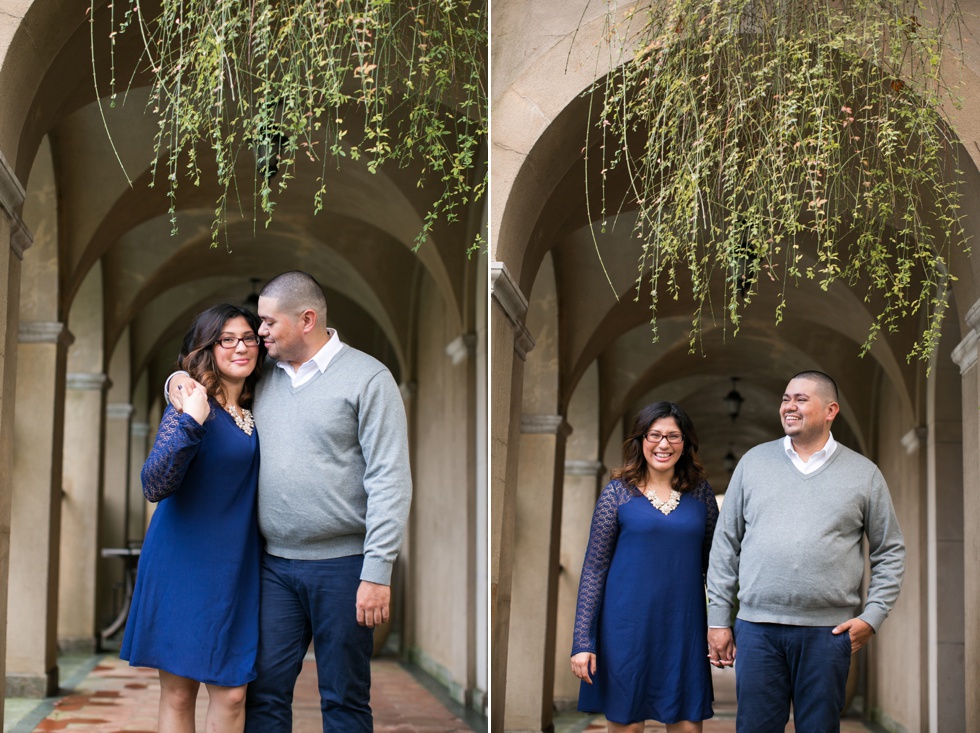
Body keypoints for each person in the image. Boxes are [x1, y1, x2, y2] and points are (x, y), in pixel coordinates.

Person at [168, 271, 412, 733]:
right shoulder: (262, 379)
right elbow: (207, 374)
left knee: (344, 699)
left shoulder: (368, 379)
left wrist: (377, 570)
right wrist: (176, 380)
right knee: (263, 695)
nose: (258, 334)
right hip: (273, 567)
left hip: (344, 566)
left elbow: (390, 478)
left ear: (306, 319)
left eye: (266, 323)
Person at [706, 370, 906, 733]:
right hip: (757, 628)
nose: (789, 406)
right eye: (785, 399)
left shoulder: (864, 474)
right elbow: (725, 544)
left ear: (831, 410)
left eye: (801, 399)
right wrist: (719, 619)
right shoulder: (753, 463)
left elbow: (889, 550)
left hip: (828, 634)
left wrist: (872, 616)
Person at [121, 303, 266, 733]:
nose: (241, 347)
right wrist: (189, 420)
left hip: (237, 568)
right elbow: (153, 484)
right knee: (180, 692)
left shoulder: (260, 405)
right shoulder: (191, 403)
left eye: (248, 338)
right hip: (181, 563)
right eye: (228, 339)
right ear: (209, 347)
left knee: (233, 695)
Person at [571, 401, 719, 733]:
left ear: (685, 443)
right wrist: (583, 642)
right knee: (628, 727)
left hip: (683, 630)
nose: (663, 444)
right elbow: (594, 569)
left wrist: (722, 624)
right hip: (624, 632)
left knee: (686, 727)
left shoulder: (701, 496)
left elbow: (716, 565)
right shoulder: (617, 495)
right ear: (641, 440)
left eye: (673, 436)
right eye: (655, 435)